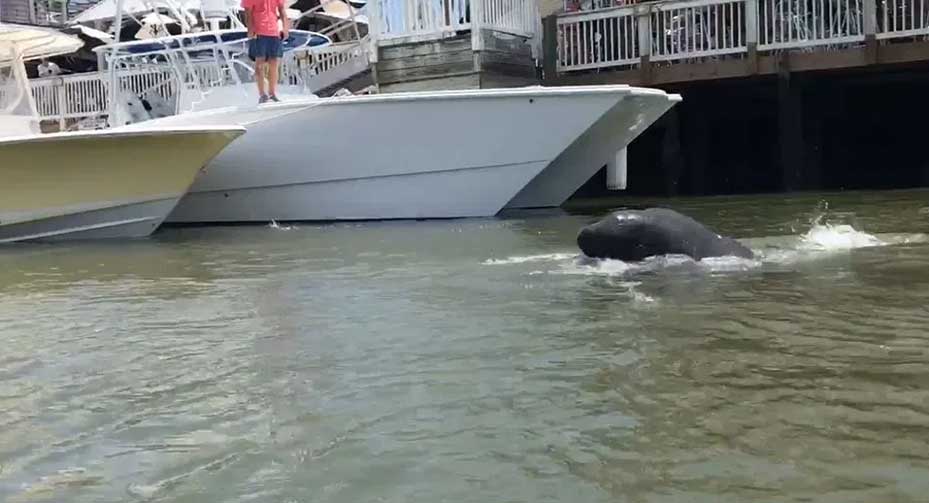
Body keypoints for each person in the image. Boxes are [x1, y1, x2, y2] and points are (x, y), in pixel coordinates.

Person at [242, 0, 289, 103]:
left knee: (274, 63)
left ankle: (272, 93)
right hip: (259, 32)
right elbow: (248, 12)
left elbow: (281, 9)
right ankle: (262, 94)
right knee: (259, 63)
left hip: (274, 32)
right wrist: (250, 29)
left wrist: (285, 28)